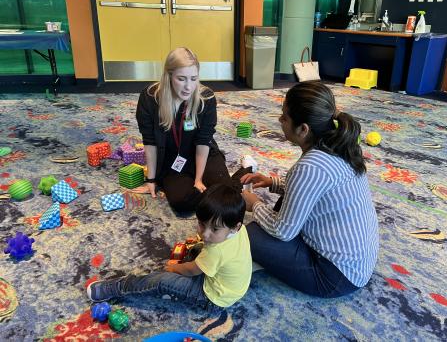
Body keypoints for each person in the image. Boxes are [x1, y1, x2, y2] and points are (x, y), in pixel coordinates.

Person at [240, 82, 379, 298]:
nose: (279, 120)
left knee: (248, 236)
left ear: (303, 129)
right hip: (356, 264)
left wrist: (254, 204)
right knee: (280, 207)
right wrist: (272, 182)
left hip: (335, 277)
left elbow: (282, 231)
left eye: (285, 117)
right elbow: (315, 190)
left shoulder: (310, 166)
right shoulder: (338, 145)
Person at [87, 184, 252, 311]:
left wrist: (174, 269)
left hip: (214, 299)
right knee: (196, 249)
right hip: (231, 288)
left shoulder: (218, 250)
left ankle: (118, 288)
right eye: (202, 224)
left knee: (162, 281)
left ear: (234, 227)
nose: (205, 234)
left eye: (214, 229)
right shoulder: (239, 228)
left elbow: (191, 271)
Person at [136, 47, 233, 214]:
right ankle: (217, 195)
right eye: (181, 79)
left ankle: (227, 186)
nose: (189, 87)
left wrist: (199, 180)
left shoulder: (206, 98)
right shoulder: (150, 98)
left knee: (227, 190)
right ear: (169, 76)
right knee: (182, 203)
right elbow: (150, 141)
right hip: (171, 158)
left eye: (193, 78)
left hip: (202, 153)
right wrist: (151, 179)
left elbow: (203, 141)